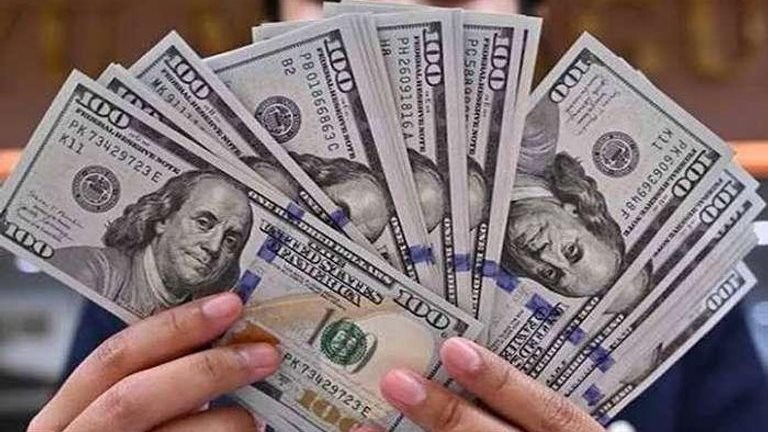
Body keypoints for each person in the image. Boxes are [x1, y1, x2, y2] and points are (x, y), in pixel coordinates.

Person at [51, 170, 254, 318]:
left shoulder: (205, 322)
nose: (214, 246)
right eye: (203, 223)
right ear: (163, 219)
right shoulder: (89, 268)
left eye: (230, 241)